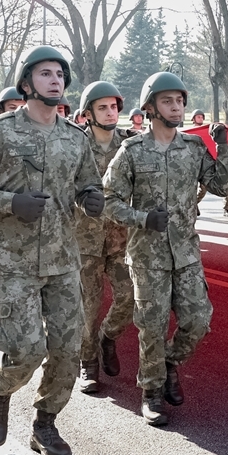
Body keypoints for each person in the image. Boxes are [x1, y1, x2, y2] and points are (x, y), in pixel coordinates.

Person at [0, 45, 105, 455]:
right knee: (26, 349)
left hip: (61, 257)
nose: (55, 79)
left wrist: (91, 198)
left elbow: (87, 183)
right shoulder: (0, 132)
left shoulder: (74, 137)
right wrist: (9, 202)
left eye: (60, 73)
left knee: (67, 347)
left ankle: (45, 424)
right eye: (45, 73)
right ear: (27, 84)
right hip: (12, 258)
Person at [103, 71, 228, 426]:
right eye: (167, 101)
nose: (176, 108)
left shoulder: (192, 149)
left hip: (186, 253)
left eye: (179, 101)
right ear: (150, 108)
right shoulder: (131, 151)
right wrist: (142, 218)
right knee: (152, 326)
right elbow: (108, 200)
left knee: (198, 320)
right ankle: (151, 393)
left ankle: (171, 362)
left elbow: (222, 186)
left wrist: (223, 146)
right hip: (148, 257)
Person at [73, 81, 135, 395]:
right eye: (103, 108)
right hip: (84, 241)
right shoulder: (75, 146)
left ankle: (107, 338)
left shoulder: (130, 144)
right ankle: (88, 363)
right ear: (88, 114)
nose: (110, 113)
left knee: (128, 297)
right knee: (88, 306)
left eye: (113, 107)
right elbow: (60, 186)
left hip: (120, 241)